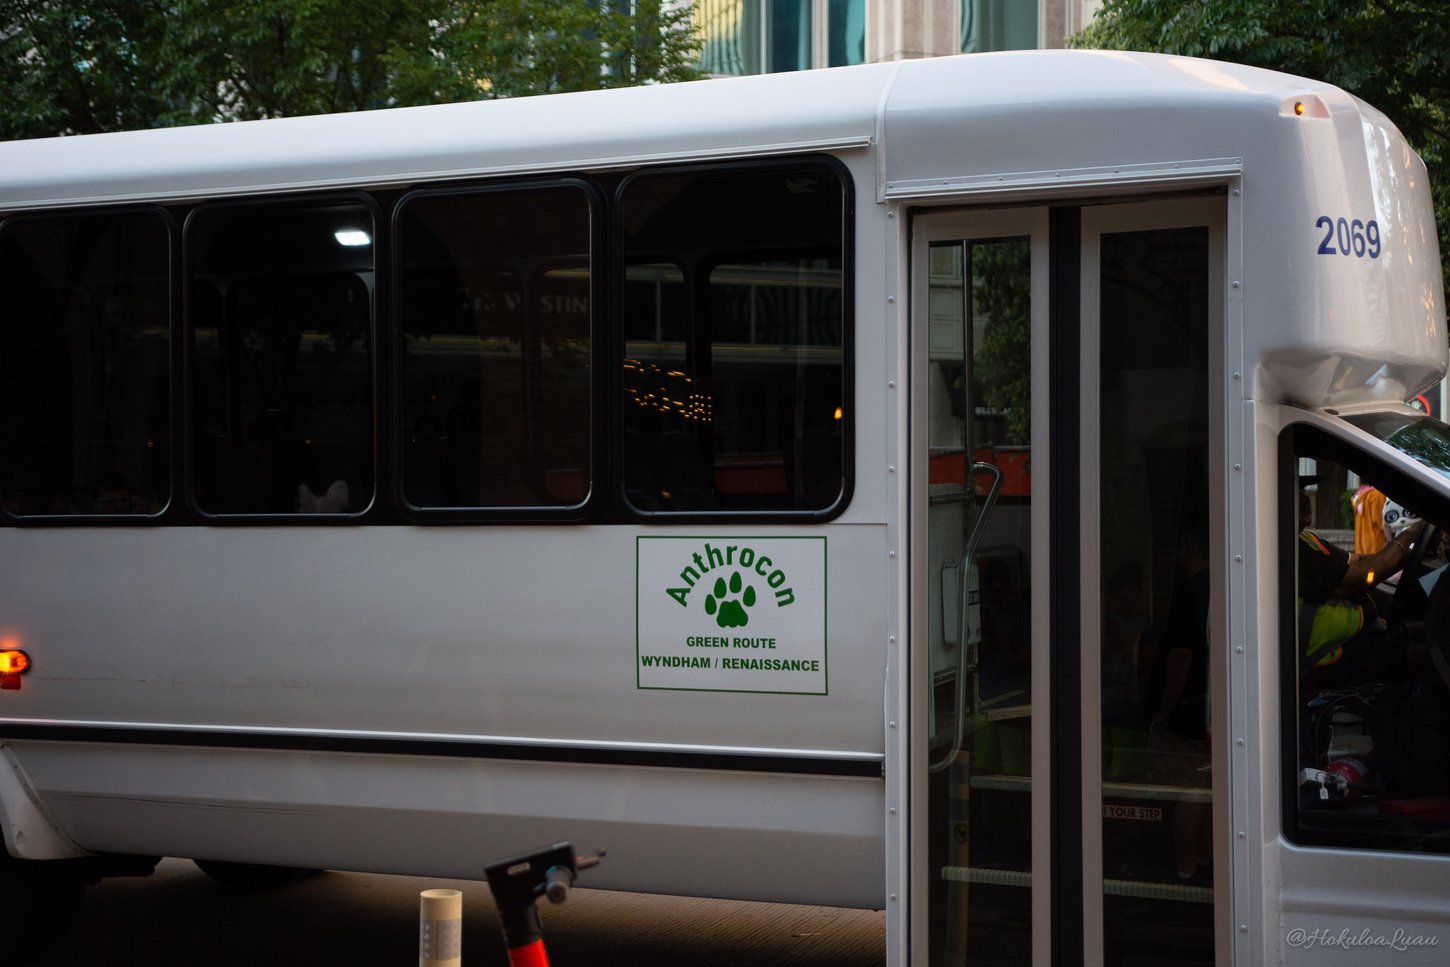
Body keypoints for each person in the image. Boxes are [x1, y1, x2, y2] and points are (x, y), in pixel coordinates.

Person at [1148, 526, 1212, 881]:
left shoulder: (1189, 593)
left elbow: (1181, 655)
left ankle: (1183, 869)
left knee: (1190, 787)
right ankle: (1204, 857)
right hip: (1213, 705)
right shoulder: (1220, 586)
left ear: (1188, 549)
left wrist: (1166, 709)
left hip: (1189, 709)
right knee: (1212, 784)